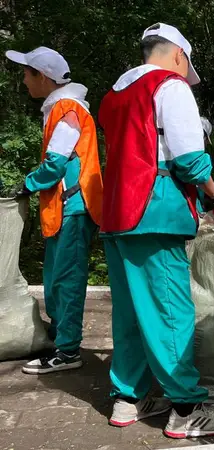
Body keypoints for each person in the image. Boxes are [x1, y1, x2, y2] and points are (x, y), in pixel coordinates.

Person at [97, 23, 214, 438]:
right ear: (179, 55)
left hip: (117, 211)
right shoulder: (172, 88)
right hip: (154, 209)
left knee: (131, 312)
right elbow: (190, 158)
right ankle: (186, 407)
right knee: (170, 309)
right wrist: (213, 196)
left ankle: (128, 399)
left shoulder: (113, 97)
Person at [5, 47, 103, 374]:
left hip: (74, 208)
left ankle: (68, 351)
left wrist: (26, 184)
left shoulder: (67, 109)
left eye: (27, 73)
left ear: (43, 77)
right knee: (55, 280)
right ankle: (61, 337)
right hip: (64, 209)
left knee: (66, 281)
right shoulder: (59, 108)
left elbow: (56, 163)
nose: (23, 79)